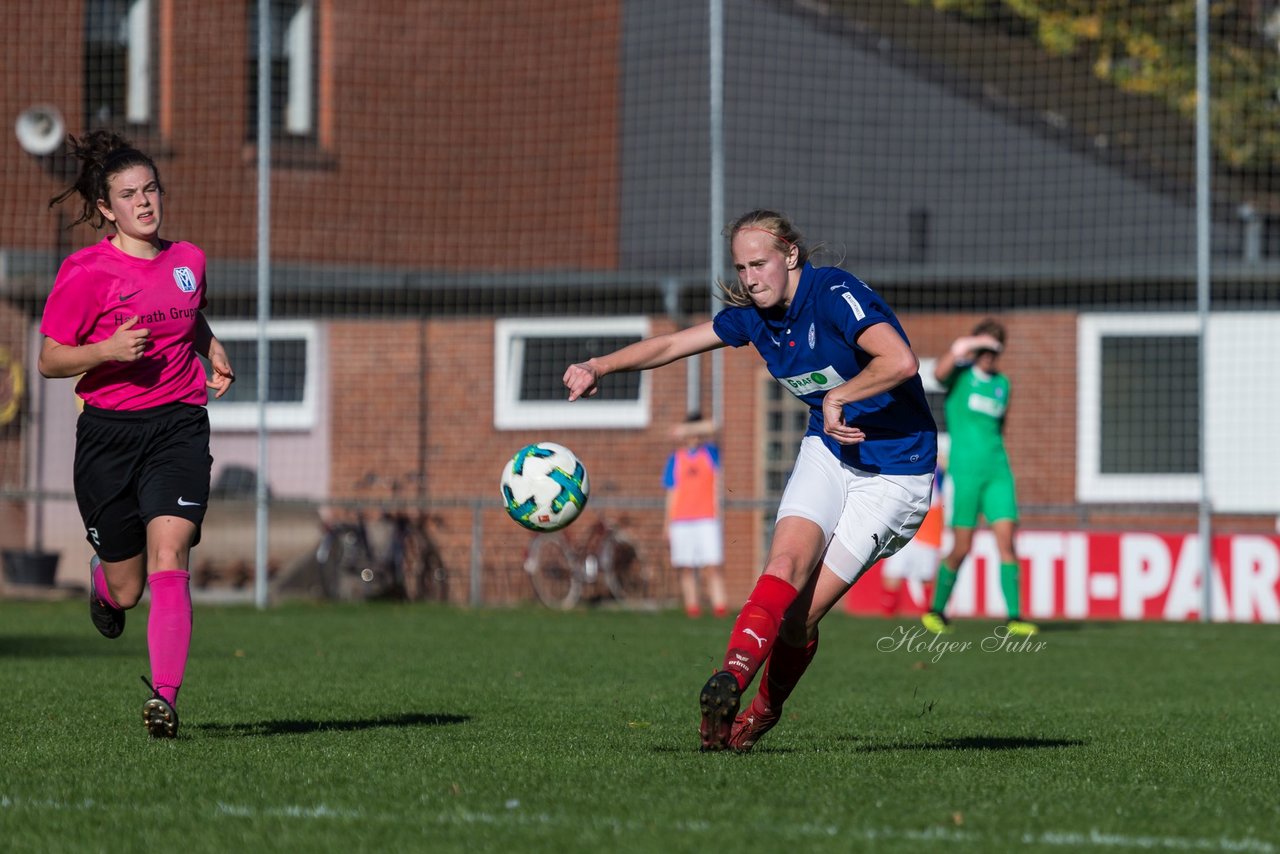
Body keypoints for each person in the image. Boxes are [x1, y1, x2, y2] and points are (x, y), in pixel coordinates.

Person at [564, 209, 937, 752]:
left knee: (798, 620)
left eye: (759, 263)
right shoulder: (754, 317)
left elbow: (901, 360)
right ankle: (730, 682)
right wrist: (599, 366)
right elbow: (671, 345)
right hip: (830, 451)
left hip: (896, 473)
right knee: (782, 565)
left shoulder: (833, 292)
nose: (750, 277)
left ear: (790, 256)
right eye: (741, 267)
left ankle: (764, 711)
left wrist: (838, 396)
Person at [38, 130, 236, 738]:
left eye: (150, 189)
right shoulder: (85, 272)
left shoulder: (189, 261)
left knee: (170, 556)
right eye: (129, 194)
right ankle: (101, 585)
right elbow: (50, 359)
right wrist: (106, 350)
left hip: (178, 424)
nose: (145, 202)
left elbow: (186, 313)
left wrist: (211, 346)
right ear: (106, 208)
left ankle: (165, 699)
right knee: (127, 590)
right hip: (108, 436)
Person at [921, 320, 1038, 637]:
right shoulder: (960, 376)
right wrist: (963, 346)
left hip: (998, 471)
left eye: (993, 350)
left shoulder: (1003, 384)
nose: (988, 356)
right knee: (962, 547)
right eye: (983, 348)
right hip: (965, 473)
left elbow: (1000, 427)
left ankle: (1015, 618)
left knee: (1007, 541)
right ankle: (936, 611)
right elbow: (937, 374)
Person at [664, 413, 728, 619]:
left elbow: (715, 426)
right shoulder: (676, 458)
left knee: (712, 566)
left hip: (707, 518)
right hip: (681, 521)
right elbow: (671, 493)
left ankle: (720, 607)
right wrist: (667, 523)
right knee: (686, 567)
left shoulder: (710, 453)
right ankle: (692, 608)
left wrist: (688, 429)